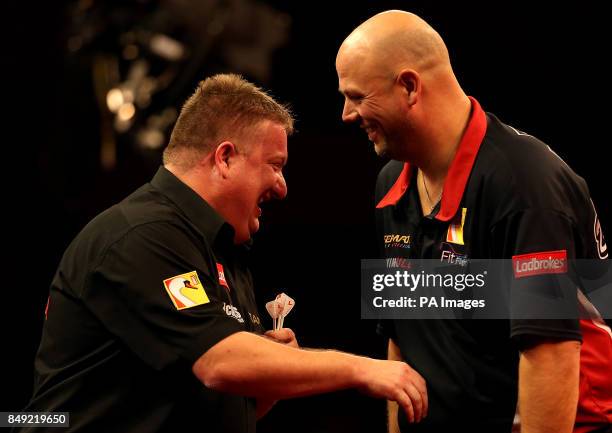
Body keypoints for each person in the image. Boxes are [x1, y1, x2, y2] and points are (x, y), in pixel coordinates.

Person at [18, 74, 427, 433]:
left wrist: (264, 379)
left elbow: (222, 398)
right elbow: (218, 363)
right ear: (225, 157)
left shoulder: (222, 251)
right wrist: (363, 369)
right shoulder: (143, 235)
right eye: (275, 164)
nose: (283, 186)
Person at [336, 10, 612, 433]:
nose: (346, 114)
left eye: (356, 96)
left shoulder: (525, 185)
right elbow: (401, 344)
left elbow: (552, 356)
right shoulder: (390, 184)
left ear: (409, 87)